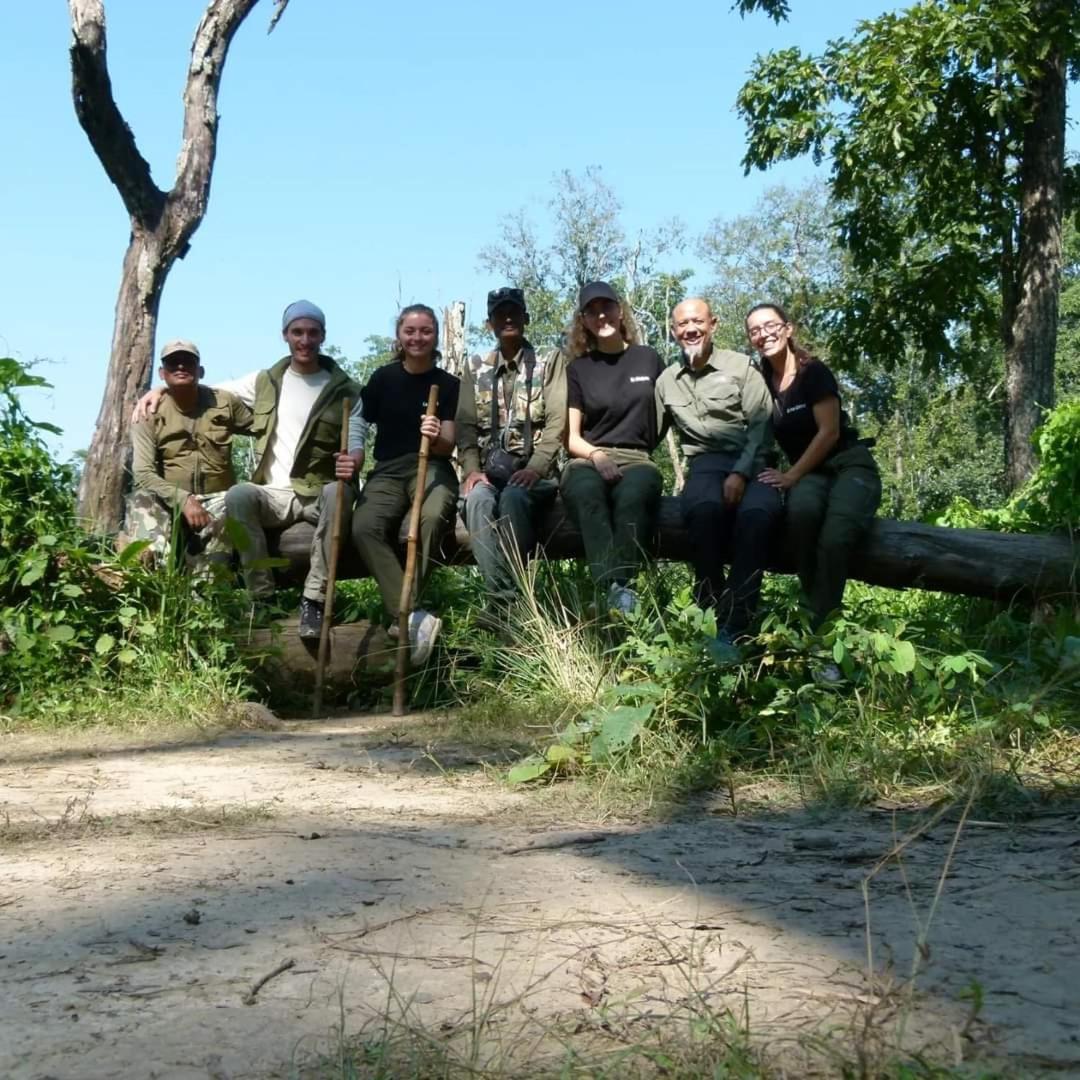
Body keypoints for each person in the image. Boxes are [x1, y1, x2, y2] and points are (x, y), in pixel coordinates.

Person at [133, 302, 363, 619]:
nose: (305, 340)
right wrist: (160, 389)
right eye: (297, 332)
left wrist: (353, 461)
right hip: (259, 493)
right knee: (236, 495)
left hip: (309, 491)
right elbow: (195, 389)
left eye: (312, 332)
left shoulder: (346, 390)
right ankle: (261, 600)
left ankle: (313, 601)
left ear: (323, 335)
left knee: (333, 495)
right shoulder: (264, 382)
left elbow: (356, 440)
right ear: (285, 335)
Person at [746, 302, 882, 631]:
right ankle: (814, 616)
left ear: (788, 329)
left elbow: (829, 431)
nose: (764, 334)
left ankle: (825, 629)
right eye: (755, 330)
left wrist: (791, 475)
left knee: (836, 536)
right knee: (801, 516)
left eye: (771, 326)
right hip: (810, 474)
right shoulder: (759, 380)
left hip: (848, 464)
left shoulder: (813, 372)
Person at [655, 299, 782, 645]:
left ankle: (736, 623)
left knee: (758, 514)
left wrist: (740, 474)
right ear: (673, 330)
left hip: (754, 463)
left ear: (714, 324)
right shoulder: (667, 381)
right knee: (702, 509)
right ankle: (708, 605)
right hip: (705, 466)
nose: (690, 329)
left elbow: (761, 425)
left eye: (698, 321)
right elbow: (645, 433)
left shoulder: (741, 367)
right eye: (682, 324)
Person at [349, 304, 460, 664]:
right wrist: (354, 454)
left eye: (425, 331)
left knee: (430, 516)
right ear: (399, 334)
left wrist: (435, 434)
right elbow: (359, 419)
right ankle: (411, 613)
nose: (417, 337)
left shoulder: (448, 385)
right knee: (363, 525)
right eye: (410, 331)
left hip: (432, 465)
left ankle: (403, 614)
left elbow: (449, 442)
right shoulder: (383, 378)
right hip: (388, 470)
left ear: (436, 336)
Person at [456, 287, 567, 614]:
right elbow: (465, 426)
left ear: (526, 318)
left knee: (514, 498)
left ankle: (510, 599)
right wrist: (472, 470)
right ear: (489, 323)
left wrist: (536, 467)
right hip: (490, 469)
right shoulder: (475, 367)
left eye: (514, 312)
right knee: (476, 499)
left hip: (535, 473)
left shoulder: (549, 361)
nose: (507, 319)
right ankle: (508, 604)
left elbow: (559, 420)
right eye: (500, 314)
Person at [561, 281, 664, 615]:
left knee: (632, 498)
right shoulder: (578, 369)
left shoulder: (647, 359)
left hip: (637, 459)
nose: (601, 315)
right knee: (587, 494)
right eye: (592, 311)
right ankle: (613, 588)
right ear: (584, 321)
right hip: (587, 457)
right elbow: (571, 436)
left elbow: (667, 414)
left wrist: (641, 448)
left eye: (607, 307)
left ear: (621, 312)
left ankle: (624, 587)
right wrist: (596, 455)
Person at [125, 339, 252, 571]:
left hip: (217, 500)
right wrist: (183, 499)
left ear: (200, 371)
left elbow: (263, 429)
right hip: (167, 500)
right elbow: (142, 472)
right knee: (141, 500)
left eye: (188, 362)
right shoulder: (148, 412)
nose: (181, 367)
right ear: (162, 373)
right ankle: (151, 579)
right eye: (173, 363)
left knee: (234, 501)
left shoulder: (224, 402)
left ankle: (206, 592)